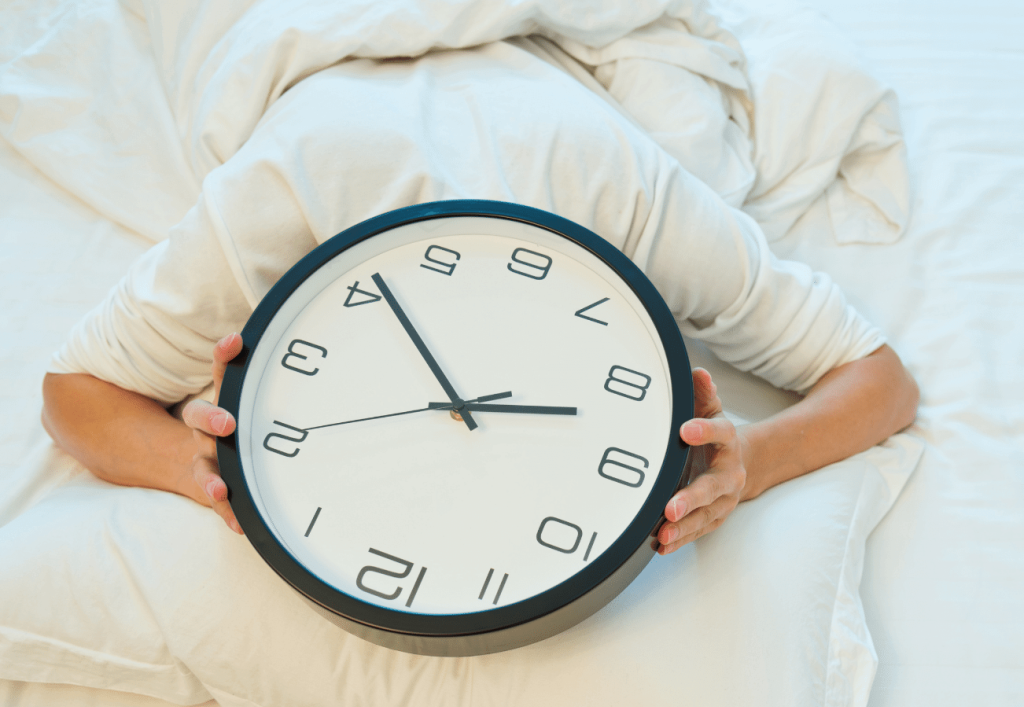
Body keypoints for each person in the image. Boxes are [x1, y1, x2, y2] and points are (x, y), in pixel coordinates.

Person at [37, 44, 918, 556]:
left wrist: (752, 460)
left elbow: (879, 378)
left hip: (533, 68)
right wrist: (201, 469)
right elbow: (73, 393)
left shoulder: (622, 194)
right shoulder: (281, 201)